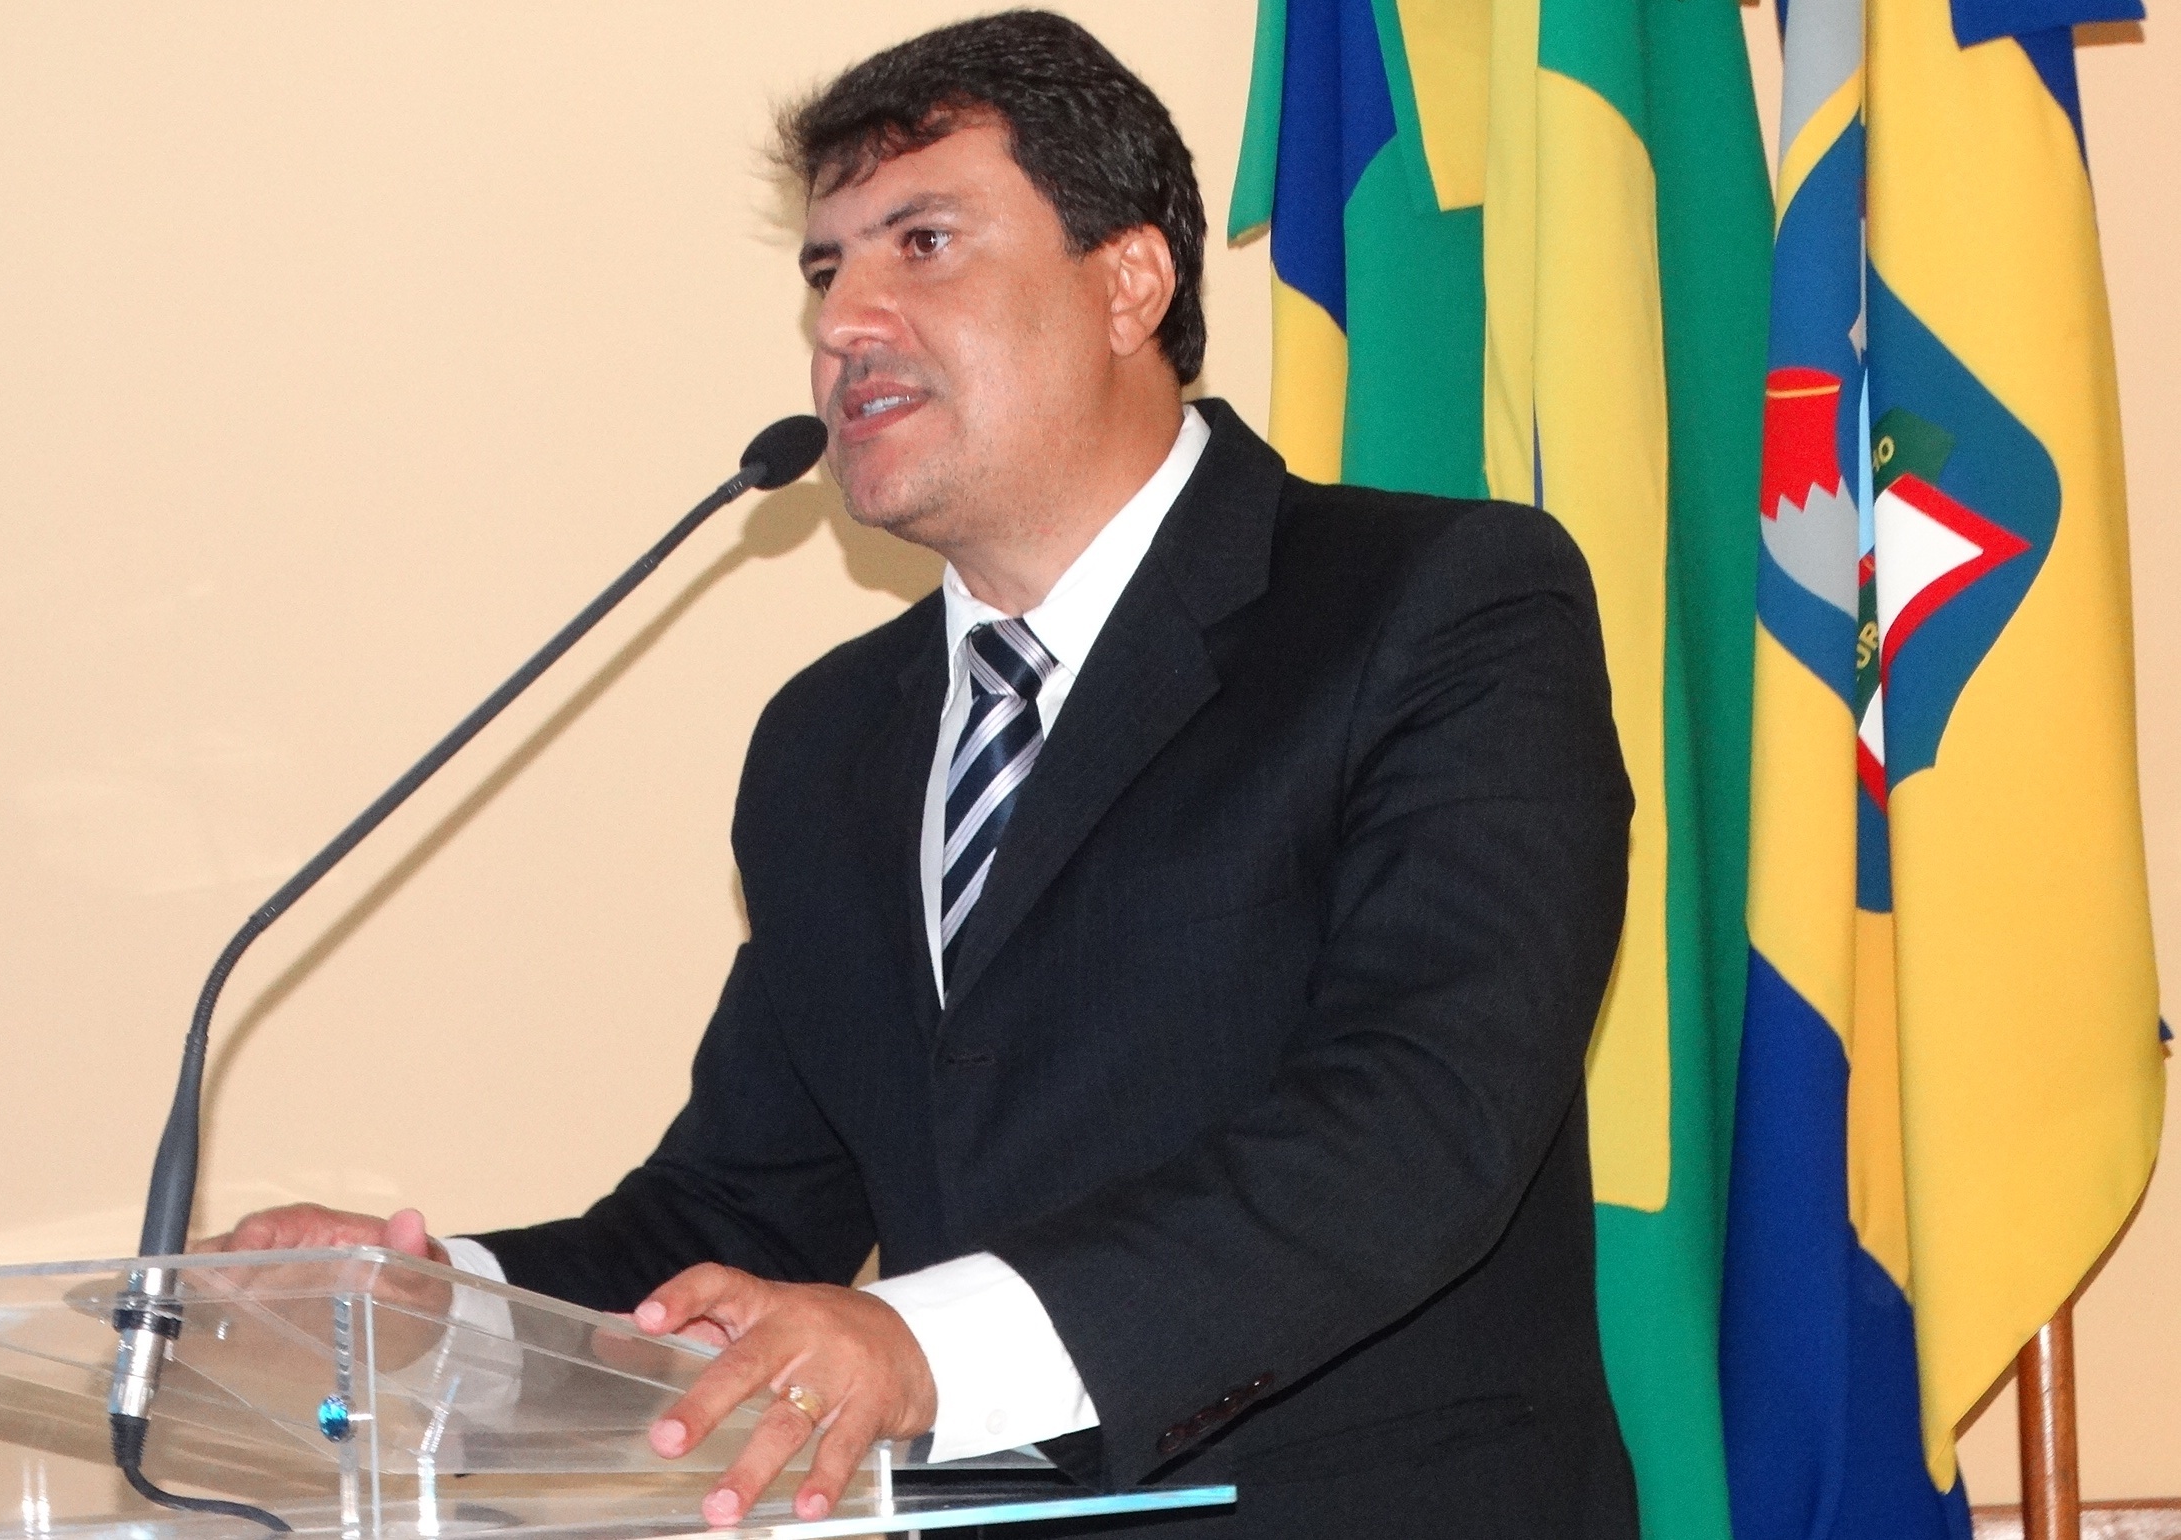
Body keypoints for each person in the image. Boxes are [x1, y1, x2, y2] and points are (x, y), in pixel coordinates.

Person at [214, 12, 1640, 1536]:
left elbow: (1417, 1124)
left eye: (922, 243)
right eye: (824, 270)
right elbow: (741, 1213)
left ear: (1129, 281)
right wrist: (442, 1311)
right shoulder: (830, 742)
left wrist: (917, 1347)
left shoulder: (1435, 606)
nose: (844, 322)